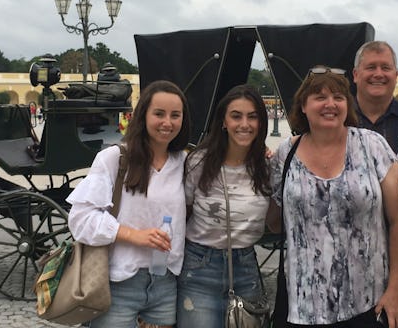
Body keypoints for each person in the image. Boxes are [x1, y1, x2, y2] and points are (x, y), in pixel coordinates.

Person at [268, 65, 398, 327]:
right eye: (320, 97)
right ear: (303, 106)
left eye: (339, 97)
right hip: (302, 304)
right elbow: (274, 222)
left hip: (368, 302)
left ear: (347, 105)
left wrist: (396, 289)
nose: (330, 104)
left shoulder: (371, 145)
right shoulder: (285, 153)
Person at [66, 80, 192, 328]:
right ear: (143, 115)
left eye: (175, 115)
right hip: (119, 281)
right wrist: (132, 235)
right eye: (159, 114)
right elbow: (80, 219)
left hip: (166, 283)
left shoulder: (184, 162)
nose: (167, 122)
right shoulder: (115, 158)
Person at [176, 85, 272, 327]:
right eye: (236, 116)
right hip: (200, 266)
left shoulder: (268, 165)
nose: (245, 124)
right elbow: (183, 213)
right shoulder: (198, 162)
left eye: (252, 116)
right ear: (223, 122)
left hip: (246, 266)